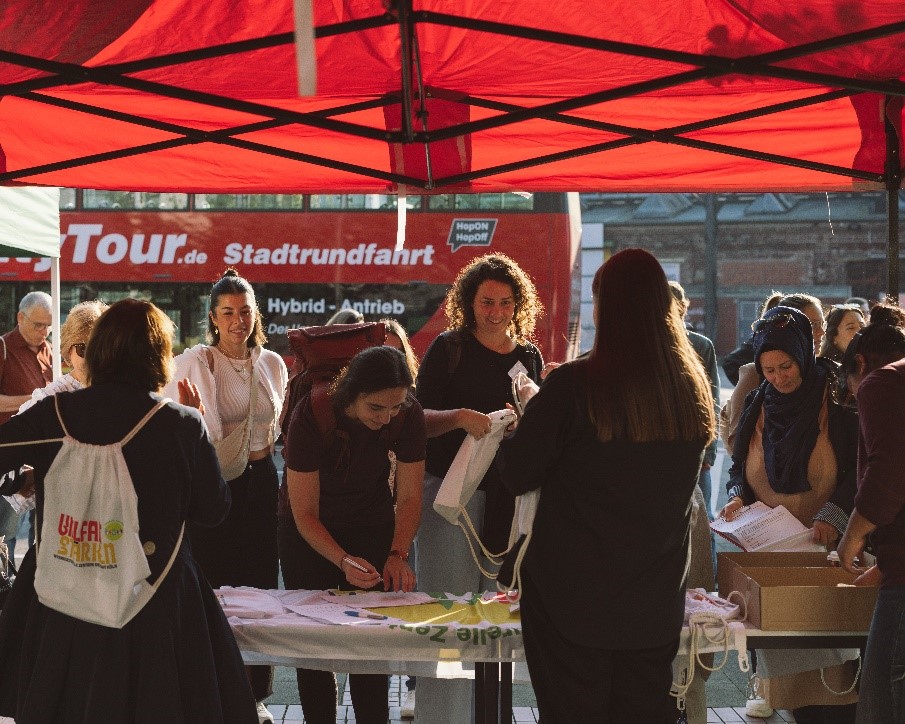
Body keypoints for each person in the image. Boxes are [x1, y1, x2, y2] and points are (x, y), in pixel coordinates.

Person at [0, 298, 257, 722]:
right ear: (158, 355)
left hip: (62, 589)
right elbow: (213, 509)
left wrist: (26, 481)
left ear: (98, 350)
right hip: (154, 599)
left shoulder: (52, 414)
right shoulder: (180, 424)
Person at [497, 249, 714, 722]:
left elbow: (516, 473)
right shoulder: (690, 389)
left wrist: (529, 418)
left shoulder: (574, 386)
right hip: (654, 602)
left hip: (569, 603)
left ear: (604, 308)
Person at [414, 252, 544, 724]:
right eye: (486, 301)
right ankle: (442, 717)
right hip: (451, 498)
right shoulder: (449, 348)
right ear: (468, 303)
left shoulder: (528, 355)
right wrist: (459, 419)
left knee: (497, 617)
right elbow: (416, 421)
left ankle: (492, 715)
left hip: (507, 501)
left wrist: (525, 421)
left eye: (506, 302)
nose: (496, 312)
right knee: (449, 615)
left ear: (518, 304)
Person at [719, 305, 859, 723]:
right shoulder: (758, 404)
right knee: (789, 689)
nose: (779, 378)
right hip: (773, 558)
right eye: (769, 370)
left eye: (786, 366)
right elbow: (738, 470)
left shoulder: (836, 397)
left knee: (833, 680)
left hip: (827, 557)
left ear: (804, 353)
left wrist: (833, 517)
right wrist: (737, 498)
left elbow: (859, 469)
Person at [278, 345, 426, 724]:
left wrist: (398, 552)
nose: (387, 416)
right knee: (314, 645)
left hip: (370, 521)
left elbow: (409, 496)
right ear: (351, 393)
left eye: (395, 407)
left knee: (370, 647)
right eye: (376, 408)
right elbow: (304, 513)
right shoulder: (312, 413)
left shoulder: (407, 414)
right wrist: (341, 559)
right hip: (307, 529)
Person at [165, 268, 287, 724]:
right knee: (215, 589)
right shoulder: (197, 362)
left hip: (261, 482)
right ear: (214, 318)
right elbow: (196, 430)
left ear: (256, 314)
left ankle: (255, 697)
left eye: (245, 311)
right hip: (216, 485)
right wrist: (198, 414)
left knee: (259, 590)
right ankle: (211, 693)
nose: (238, 321)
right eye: (228, 313)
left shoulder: (272, 363)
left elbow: (275, 426)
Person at [836, 312, 905, 724]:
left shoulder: (882, 383)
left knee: (881, 698)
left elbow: (890, 470)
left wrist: (853, 536)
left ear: (858, 363)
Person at [722, 292, 826, 452]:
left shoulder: (826, 373)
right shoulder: (753, 375)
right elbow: (737, 444)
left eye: (822, 324)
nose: (821, 332)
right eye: (813, 325)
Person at [381, 317, 420, 718]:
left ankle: (414, 686)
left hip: (406, 515)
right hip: (371, 515)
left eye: (395, 351)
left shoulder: (411, 408)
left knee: (412, 599)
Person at [0, 291, 53, 561]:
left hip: (43, 454)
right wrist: (35, 399)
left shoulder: (50, 351)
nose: (44, 331)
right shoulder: (4, 347)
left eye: (48, 325)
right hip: (11, 457)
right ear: (20, 317)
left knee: (43, 527)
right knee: (7, 532)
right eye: (38, 325)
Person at [669, 281, 720, 519]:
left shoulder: (700, 345)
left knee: (703, 520)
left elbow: (711, 401)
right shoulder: (649, 346)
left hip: (695, 446)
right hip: (665, 448)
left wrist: (709, 453)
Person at [17, 300, 108, 413]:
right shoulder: (49, 400)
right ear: (69, 351)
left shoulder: (124, 392)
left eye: (102, 348)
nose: (94, 357)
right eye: (83, 349)